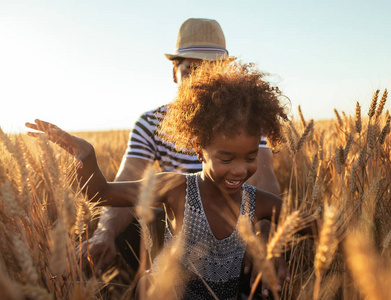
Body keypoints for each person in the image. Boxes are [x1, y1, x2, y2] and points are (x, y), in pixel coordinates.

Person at [26, 60, 313, 299]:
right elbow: (101, 194)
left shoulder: (257, 200)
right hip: (169, 292)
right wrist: (87, 157)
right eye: (226, 159)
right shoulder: (176, 187)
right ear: (199, 149)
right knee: (149, 284)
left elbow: (307, 222)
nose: (240, 170)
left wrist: (275, 244)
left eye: (250, 157)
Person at [80, 17, 282, 283]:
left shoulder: (248, 120)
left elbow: (264, 180)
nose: (202, 80)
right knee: (124, 227)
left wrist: (266, 242)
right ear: (174, 72)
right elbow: (127, 181)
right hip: (173, 229)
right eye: (191, 70)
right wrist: (104, 233)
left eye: (212, 69)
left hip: (233, 232)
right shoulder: (151, 123)